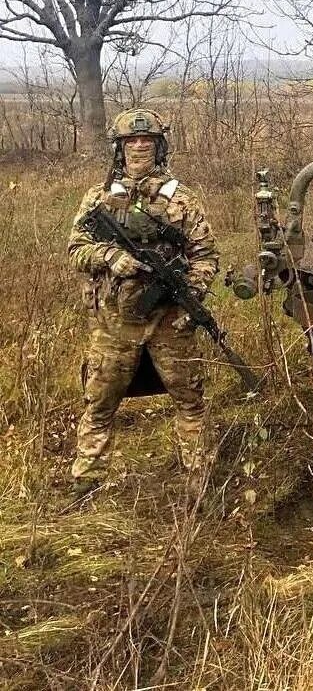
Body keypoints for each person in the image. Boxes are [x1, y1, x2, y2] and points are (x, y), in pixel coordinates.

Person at [66, 108, 219, 497]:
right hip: (113, 321)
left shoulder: (181, 200)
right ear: (119, 148)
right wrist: (110, 257)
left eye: (146, 140)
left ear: (159, 145)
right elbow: (76, 248)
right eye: (131, 141)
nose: (139, 146)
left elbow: (205, 256)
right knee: (99, 402)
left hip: (169, 320)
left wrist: (192, 295)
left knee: (190, 400)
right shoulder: (99, 197)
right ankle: (86, 479)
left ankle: (197, 481)